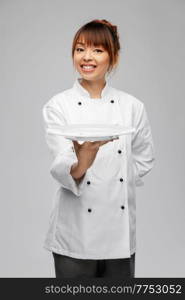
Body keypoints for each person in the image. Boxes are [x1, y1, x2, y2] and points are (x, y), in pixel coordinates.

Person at [42, 19, 155, 278]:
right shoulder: (58, 105)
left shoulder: (132, 106)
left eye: (97, 50)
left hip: (119, 236)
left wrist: (117, 181)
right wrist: (84, 161)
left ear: (112, 57)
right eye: (80, 49)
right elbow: (60, 164)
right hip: (75, 234)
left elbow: (145, 158)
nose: (86, 57)